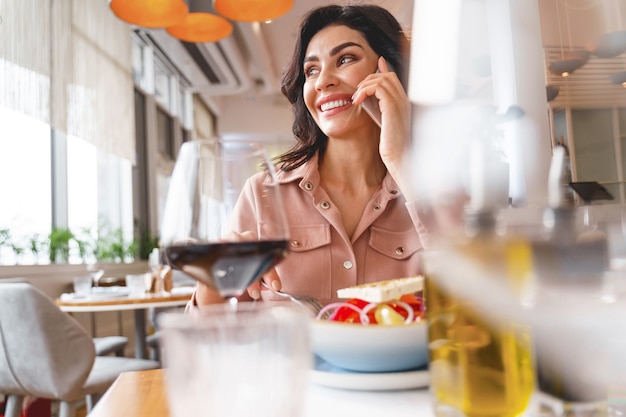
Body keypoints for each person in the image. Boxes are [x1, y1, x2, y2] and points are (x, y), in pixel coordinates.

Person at [192, 4, 431, 307]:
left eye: (345, 59)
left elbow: (477, 297)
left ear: (391, 72)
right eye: (311, 70)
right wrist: (213, 274)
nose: (322, 82)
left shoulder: (435, 190)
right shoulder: (261, 193)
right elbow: (213, 328)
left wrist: (400, 158)